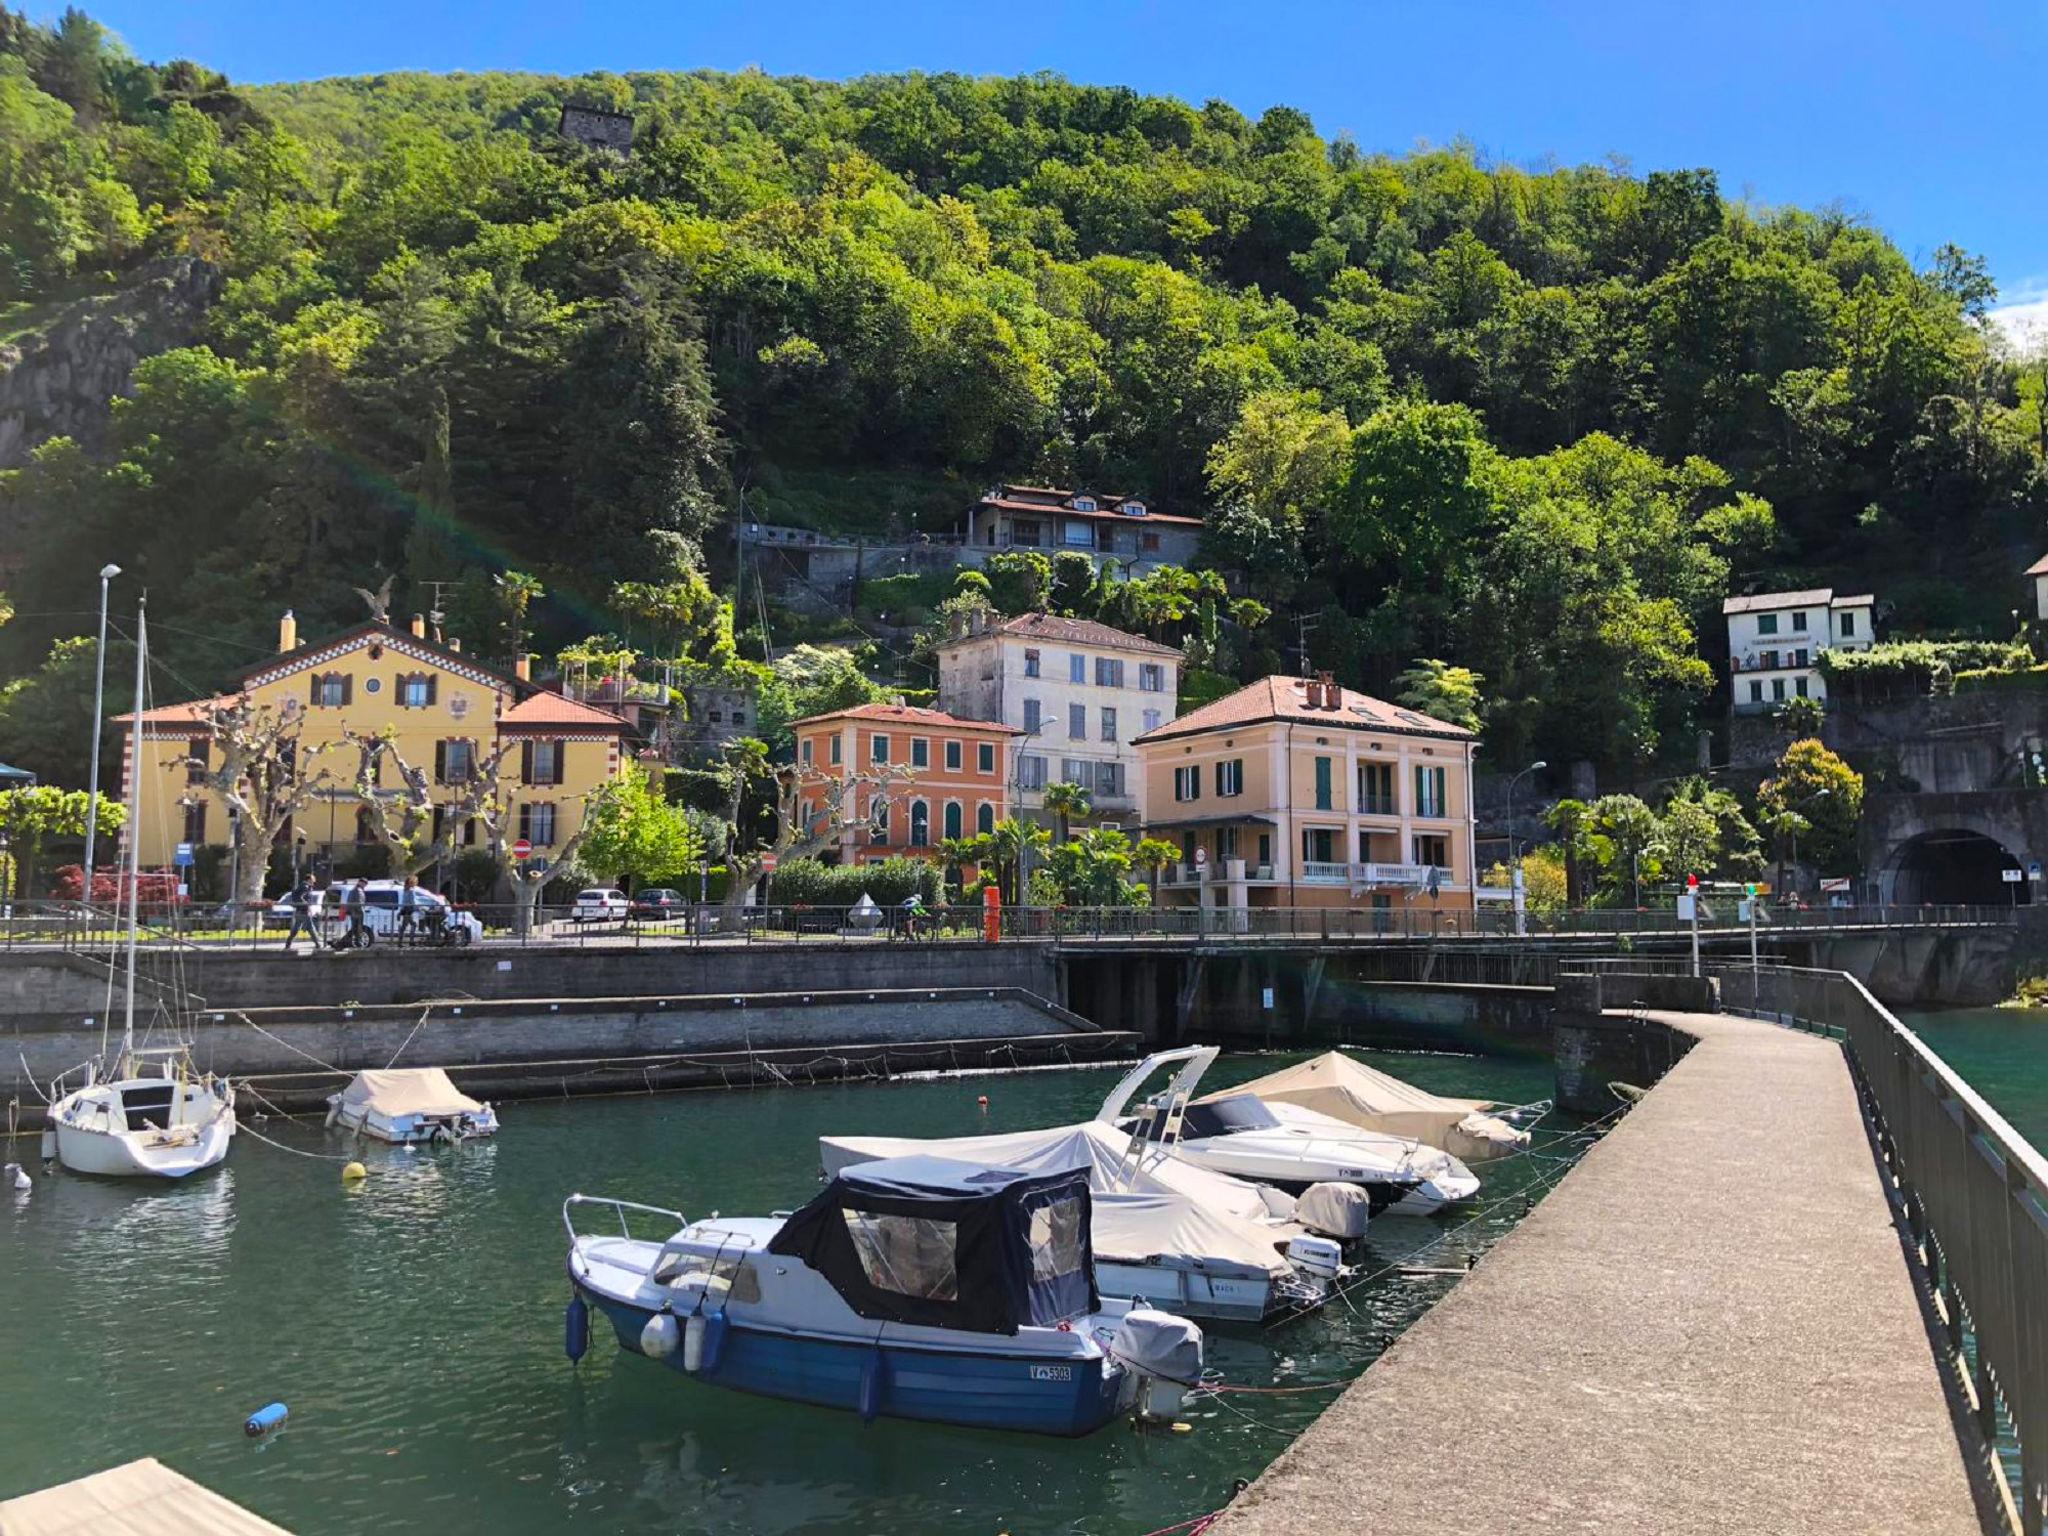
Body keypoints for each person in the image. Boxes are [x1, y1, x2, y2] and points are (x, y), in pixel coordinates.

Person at [284, 877, 320, 951]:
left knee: (296, 929)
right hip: (304, 911)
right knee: (311, 928)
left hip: (298, 910)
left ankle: (288, 943)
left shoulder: (301, 886)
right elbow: (301, 897)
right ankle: (318, 944)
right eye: (313, 880)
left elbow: (299, 897)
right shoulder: (305, 886)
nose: (314, 882)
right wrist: (307, 905)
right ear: (309, 879)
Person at [341, 877, 368, 948]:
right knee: (357, 928)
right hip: (357, 912)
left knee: (355, 928)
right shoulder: (358, 890)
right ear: (360, 882)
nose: (364, 885)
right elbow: (359, 903)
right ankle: (350, 942)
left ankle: (348, 942)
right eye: (364, 884)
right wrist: (362, 911)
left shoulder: (355, 890)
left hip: (354, 912)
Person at [397, 874, 421, 941]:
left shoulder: (405, 890)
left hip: (405, 909)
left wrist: (401, 910)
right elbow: (413, 902)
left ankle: (401, 941)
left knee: (405, 925)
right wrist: (418, 908)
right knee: (412, 925)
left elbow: (403, 901)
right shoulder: (411, 890)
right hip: (409, 910)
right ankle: (410, 941)